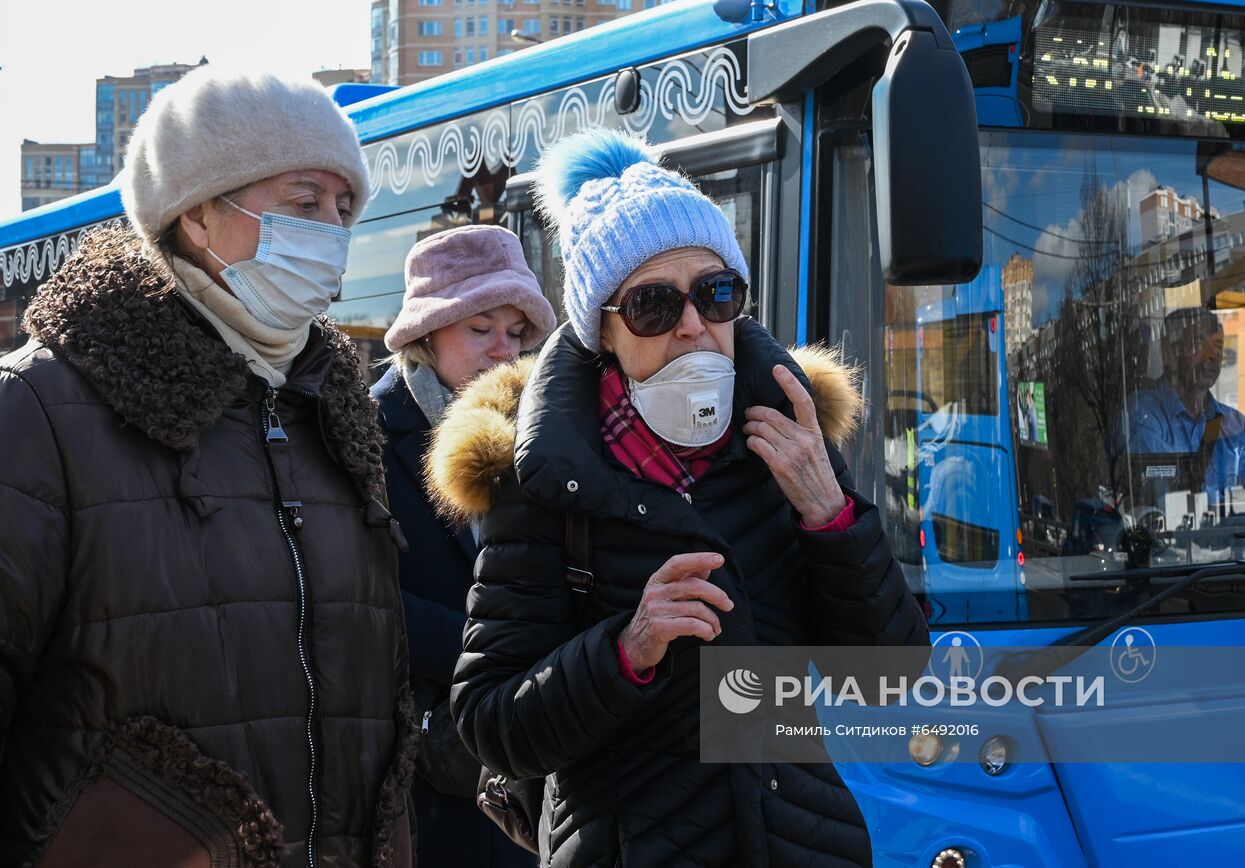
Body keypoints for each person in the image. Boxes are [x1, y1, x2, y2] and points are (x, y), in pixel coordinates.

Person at [425, 129, 927, 866]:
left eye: (717, 293)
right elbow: (492, 724)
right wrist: (627, 648)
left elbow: (891, 683)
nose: (694, 325)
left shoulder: (789, 441)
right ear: (602, 328)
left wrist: (832, 517)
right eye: (655, 306)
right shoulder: (540, 481)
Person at [0, 68, 415, 866]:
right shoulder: (42, 411)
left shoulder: (335, 417)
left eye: (343, 209)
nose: (332, 231)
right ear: (196, 210)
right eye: (304, 202)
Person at [372, 225, 555, 866]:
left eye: (517, 332)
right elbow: (365, 600)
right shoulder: (368, 431)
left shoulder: (540, 431)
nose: (502, 350)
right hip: (427, 771)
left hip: (526, 754)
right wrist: (502, 645)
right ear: (427, 332)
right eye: (480, 329)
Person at [1127, 306, 1245, 498]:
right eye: (1197, 343)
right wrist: (1234, 505)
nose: (1213, 355)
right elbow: (1168, 492)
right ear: (1169, 352)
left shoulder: (1237, 426)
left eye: (1218, 347)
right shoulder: (1143, 414)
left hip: (1237, 528)